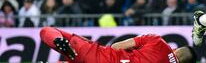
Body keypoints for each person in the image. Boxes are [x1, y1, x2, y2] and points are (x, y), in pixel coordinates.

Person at [39, 27, 197, 63]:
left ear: (176, 50)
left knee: (48, 31)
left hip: (101, 57)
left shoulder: (157, 40)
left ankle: (58, 41)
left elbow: (116, 47)